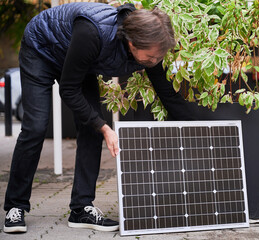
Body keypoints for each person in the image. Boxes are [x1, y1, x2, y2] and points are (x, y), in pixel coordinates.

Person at [3, 2, 194, 233]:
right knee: (35, 126)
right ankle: (16, 206)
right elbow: (68, 89)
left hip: (79, 59)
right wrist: (105, 127)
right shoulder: (93, 32)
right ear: (133, 43)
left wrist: (197, 127)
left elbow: (165, 91)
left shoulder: (150, 48)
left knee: (90, 127)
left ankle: (81, 208)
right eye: (153, 57)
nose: (156, 61)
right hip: (42, 49)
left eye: (158, 56)